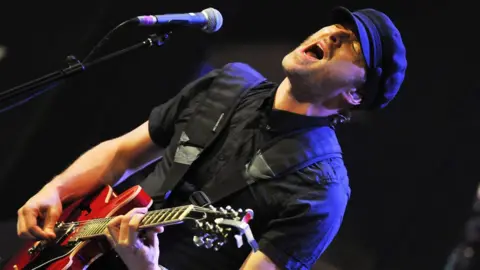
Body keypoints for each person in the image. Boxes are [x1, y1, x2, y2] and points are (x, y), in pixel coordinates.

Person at [15, 6, 407, 270]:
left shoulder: (321, 192)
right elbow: (122, 155)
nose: (334, 34)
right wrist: (55, 190)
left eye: (353, 44)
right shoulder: (229, 82)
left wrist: (145, 268)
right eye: (338, 27)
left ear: (355, 95)